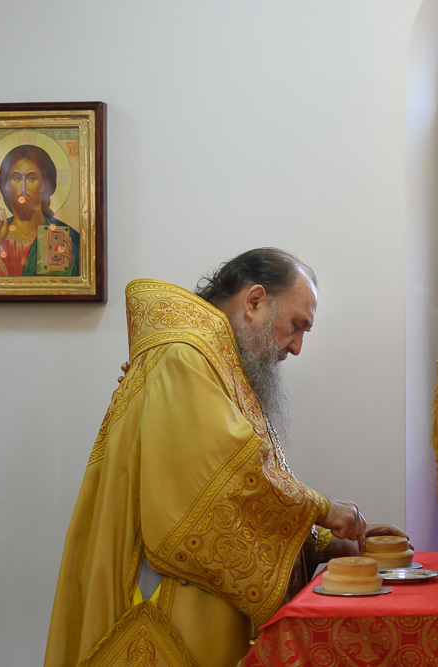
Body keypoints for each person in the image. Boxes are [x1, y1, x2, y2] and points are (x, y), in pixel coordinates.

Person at [45, 248, 407, 666]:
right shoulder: (183, 357)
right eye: (296, 326)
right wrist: (324, 510)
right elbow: (220, 487)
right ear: (254, 301)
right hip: (166, 603)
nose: (296, 347)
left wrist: (321, 543)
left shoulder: (215, 360)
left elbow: (245, 498)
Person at [0, 144, 80, 277]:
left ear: (44, 184)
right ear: (6, 184)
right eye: (16, 178)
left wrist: (69, 269)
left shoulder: (67, 238)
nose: (23, 187)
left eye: (31, 178)